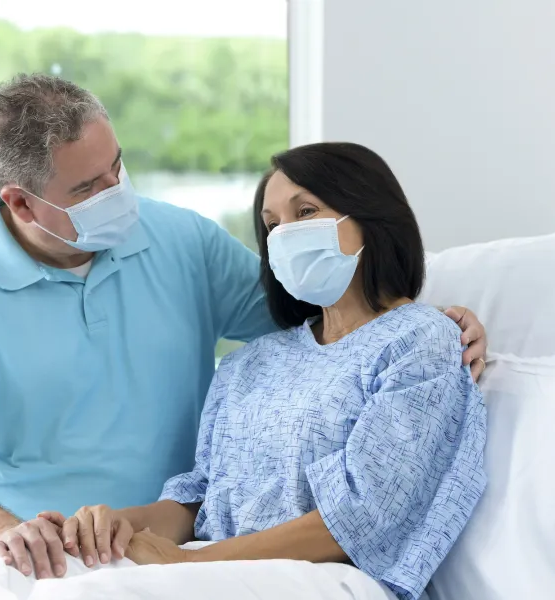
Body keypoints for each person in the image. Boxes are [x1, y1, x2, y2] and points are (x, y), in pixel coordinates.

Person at [0, 74, 488, 581]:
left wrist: (433, 318)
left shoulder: (181, 240)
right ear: (21, 204)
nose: (116, 192)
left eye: (117, 167)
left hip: (171, 554)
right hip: (41, 553)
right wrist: (9, 534)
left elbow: (325, 309)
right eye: (87, 188)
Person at [33, 142, 487, 600]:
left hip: (325, 578)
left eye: (305, 211)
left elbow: (363, 518)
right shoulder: (249, 362)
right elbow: (199, 499)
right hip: (215, 570)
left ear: (371, 217)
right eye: (272, 226)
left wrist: (190, 563)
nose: (285, 235)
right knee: (8, 582)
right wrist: (115, 528)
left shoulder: (418, 340)